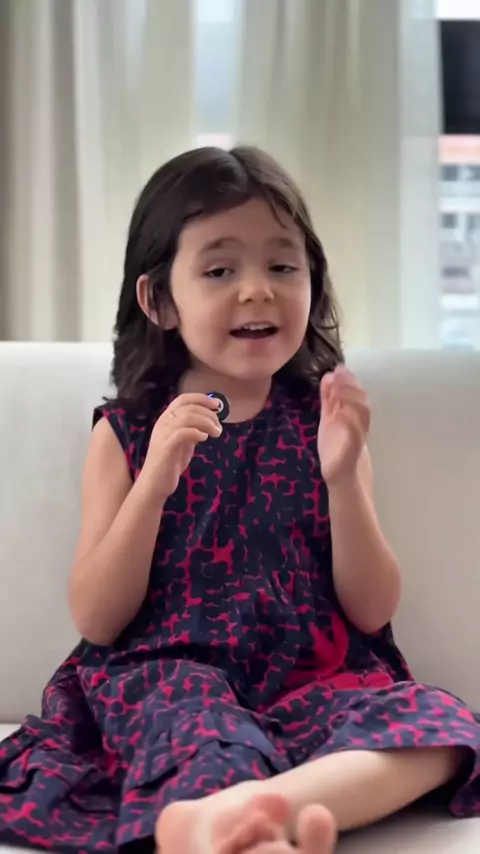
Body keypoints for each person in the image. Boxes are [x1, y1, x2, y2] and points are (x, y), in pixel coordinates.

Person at [0, 146, 479, 854]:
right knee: (206, 734)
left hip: (309, 679)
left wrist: (344, 477)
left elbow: (373, 609)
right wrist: (154, 483)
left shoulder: (323, 423)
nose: (257, 290)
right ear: (160, 301)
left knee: (442, 728)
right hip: (171, 677)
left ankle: (249, 813)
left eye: (282, 267)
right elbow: (98, 618)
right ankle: (233, 818)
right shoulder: (128, 432)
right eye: (220, 270)